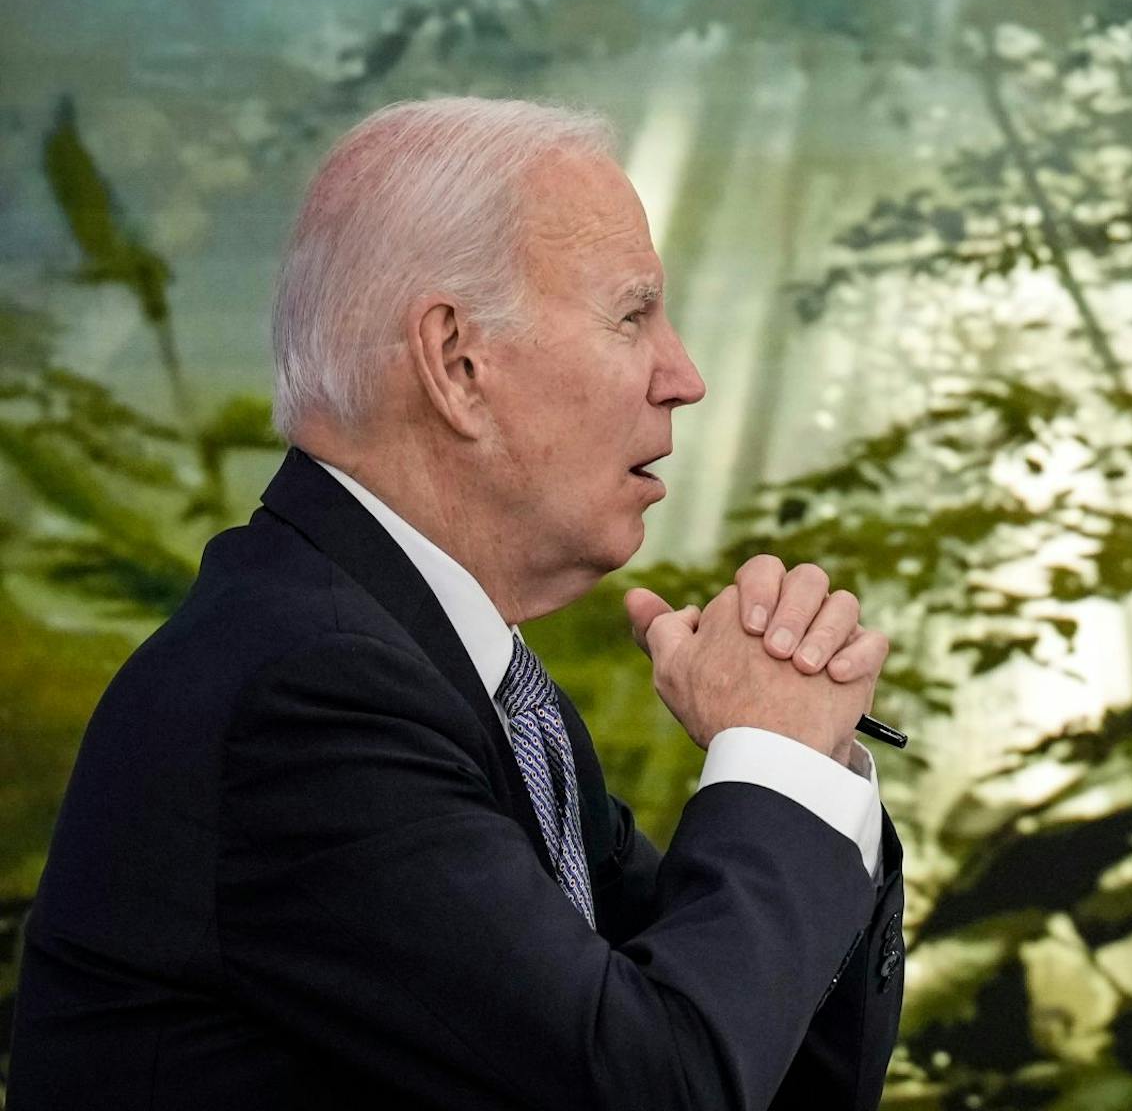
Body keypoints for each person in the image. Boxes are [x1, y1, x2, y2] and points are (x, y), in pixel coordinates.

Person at [8, 98, 905, 1109]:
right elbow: (657, 1087)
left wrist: (814, 764)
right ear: (455, 363)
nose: (683, 377)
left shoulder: (466, 686)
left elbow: (766, 1079)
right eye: (631, 314)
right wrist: (773, 763)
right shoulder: (307, 697)